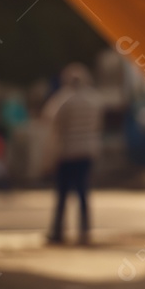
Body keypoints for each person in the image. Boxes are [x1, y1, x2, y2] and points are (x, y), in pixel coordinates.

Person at [42, 62, 104, 245]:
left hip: (67, 152)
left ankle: (57, 231)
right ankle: (84, 231)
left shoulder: (63, 99)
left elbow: (50, 119)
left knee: (62, 194)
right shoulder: (95, 99)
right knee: (83, 193)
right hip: (86, 152)